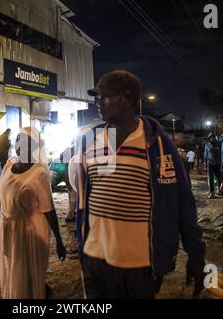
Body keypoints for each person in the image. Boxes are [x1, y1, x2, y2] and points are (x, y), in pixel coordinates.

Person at [75, 70, 205, 299]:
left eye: (104, 97)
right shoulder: (91, 140)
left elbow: (183, 201)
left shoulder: (156, 144)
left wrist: (196, 255)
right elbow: (88, 197)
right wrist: (81, 247)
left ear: (126, 99)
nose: (98, 103)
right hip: (95, 260)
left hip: (139, 265)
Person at [0, 127, 66, 299]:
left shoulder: (39, 173)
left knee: (27, 271)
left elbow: (49, 209)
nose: (19, 146)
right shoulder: (9, 165)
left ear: (35, 147)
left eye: (25, 142)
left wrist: (58, 240)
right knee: (12, 267)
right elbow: (1, 193)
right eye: (18, 141)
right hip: (7, 226)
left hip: (29, 229)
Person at [204, 133, 222, 199]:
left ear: (214, 138)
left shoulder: (219, 144)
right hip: (210, 164)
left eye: (213, 137)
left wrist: (221, 163)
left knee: (219, 177)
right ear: (209, 138)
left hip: (218, 164)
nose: (212, 138)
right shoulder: (207, 145)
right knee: (210, 179)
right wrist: (205, 165)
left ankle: (220, 190)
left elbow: (221, 154)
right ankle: (211, 192)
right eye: (210, 137)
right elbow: (205, 156)